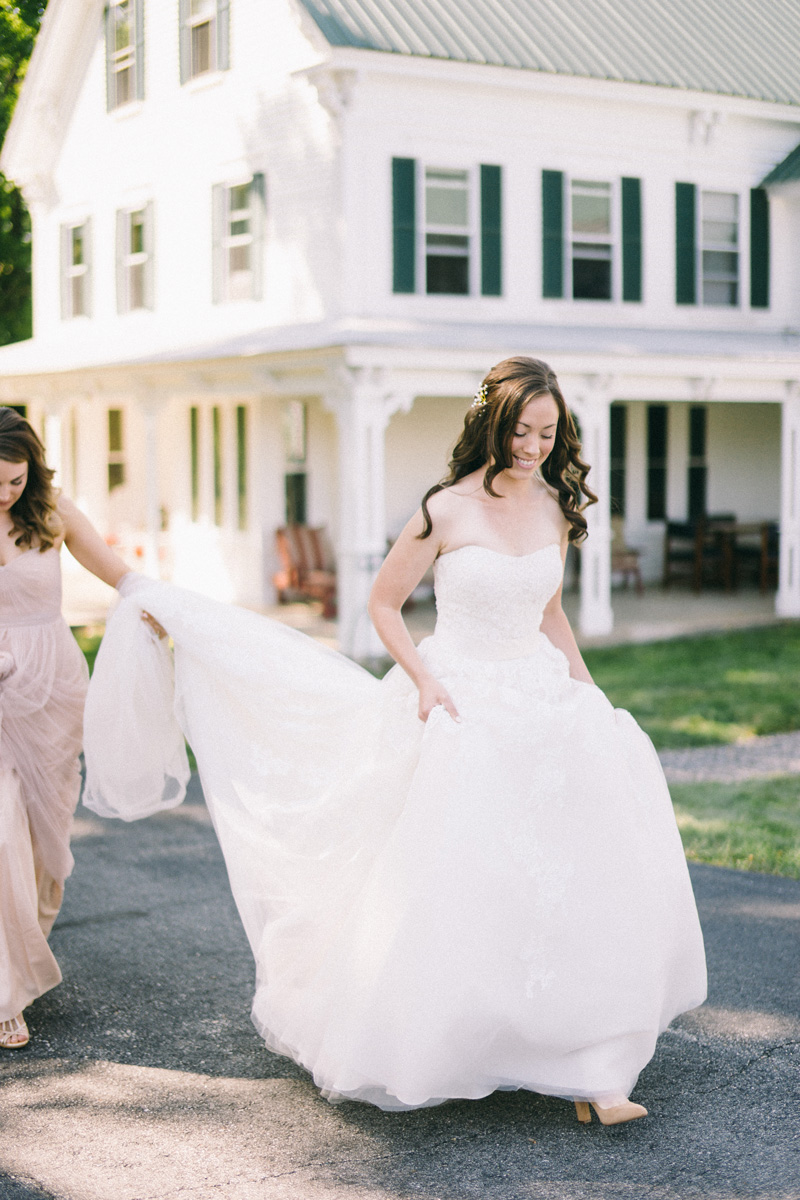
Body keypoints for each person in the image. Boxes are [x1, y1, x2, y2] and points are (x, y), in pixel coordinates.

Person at [83, 357, 707, 1125]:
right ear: (492, 424)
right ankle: (465, 1037)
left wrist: (587, 688)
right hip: (458, 697)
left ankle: (591, 1067)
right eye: (521, 430)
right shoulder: (445, 509)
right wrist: (423, 678)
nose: (533, 446)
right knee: (463, 878)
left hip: (543, 698)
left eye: (547, 433)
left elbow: (549, 612)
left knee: (568, 875)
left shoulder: (552, 506)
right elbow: (383, 604)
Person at [0, 406, 156, 1050]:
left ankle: (20, 955)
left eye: (14, 481)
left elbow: (119, 573)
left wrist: (157, 608)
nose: (4, 493)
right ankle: (5, 992)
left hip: (55, 691)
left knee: (42, 839)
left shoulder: (53, 511)